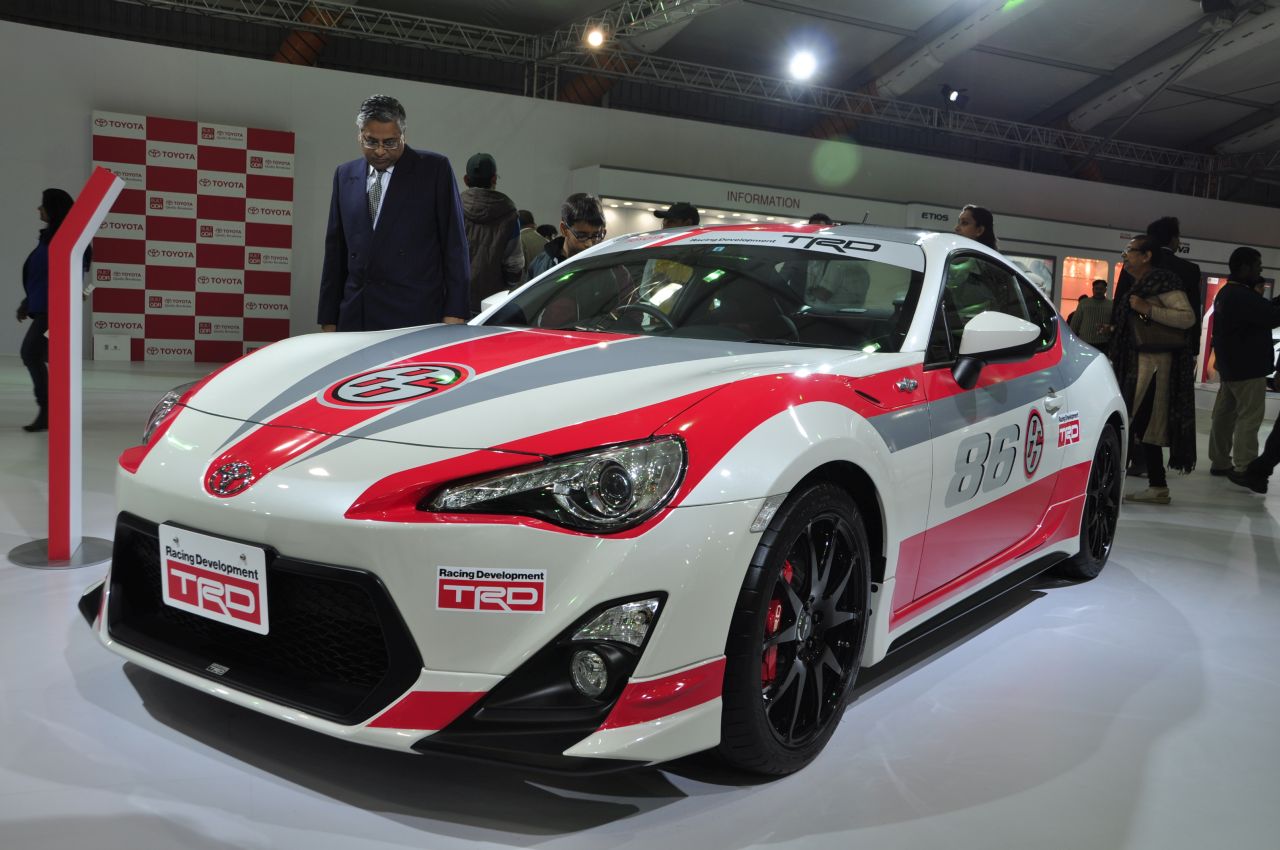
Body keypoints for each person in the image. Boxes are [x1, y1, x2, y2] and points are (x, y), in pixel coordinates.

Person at [317, 94, 469, 332]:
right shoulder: (344, 174)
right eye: (371, 141)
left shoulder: (434, 170)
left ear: (403, 135)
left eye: (390, 142)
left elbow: (455, 245)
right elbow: (335, 253)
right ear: (359, 135)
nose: (380, 151)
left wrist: (455, 313)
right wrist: (329, 319)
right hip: (356, 315)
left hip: (414, 315)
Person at [1109, 235, 1197, 504]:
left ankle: (1112, 484)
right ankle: (1157, 487)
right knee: (1143, 426)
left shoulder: (1164, 281)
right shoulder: (1140, 283)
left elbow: (1187, 317)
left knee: (1133, 423)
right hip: (1138, 364)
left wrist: (1148, 308)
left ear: (1146, 255)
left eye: (1130, 250)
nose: (1125, 256)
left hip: (1153, 367)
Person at [1207, 247, 1280, 476]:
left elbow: (1264, 310)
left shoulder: (1227, 293)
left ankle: (1220, 461)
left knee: (1224, 416)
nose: (1260, 271)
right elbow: (1272, 316)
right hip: (1249, 368)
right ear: (1245, 268)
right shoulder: (1242, 296)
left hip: (1231, 367)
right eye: (1258, 266)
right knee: (1249, 417)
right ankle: (1245, 465)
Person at [16, 188, 77, 432]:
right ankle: (53, 409)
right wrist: (27, 302)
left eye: (43, 204)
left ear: (54, 208)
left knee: (31, 353)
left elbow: (70, 275)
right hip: (43, 308)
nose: (38, 209)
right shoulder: (49, 238)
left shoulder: (67, 239)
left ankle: (49, 410)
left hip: (55, 311)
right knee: (40, 354)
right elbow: (42, 277)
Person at [460, 152, 523, 315]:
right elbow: (514, 265)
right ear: (494, 179)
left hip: (456, 302)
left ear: (466, 180)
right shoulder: (509, 214)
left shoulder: (453, 208)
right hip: (491, 306)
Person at [528, 193, 607, 277]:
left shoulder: (606, 267)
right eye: (582, 235)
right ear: (564, 229)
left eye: (596, 235)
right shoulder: (540, 264)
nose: (589, 244)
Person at [1068, 279, 1115, 353]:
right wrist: (1071, 339)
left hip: (1104, 343)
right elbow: (1075, 322)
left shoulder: (1111, 305)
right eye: (1096, 288)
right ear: (1093, 289)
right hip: (1084, 341)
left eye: (1101, 289)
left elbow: (1114, 324)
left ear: (1105, 290)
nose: (1098, 291)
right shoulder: (1084, 303)